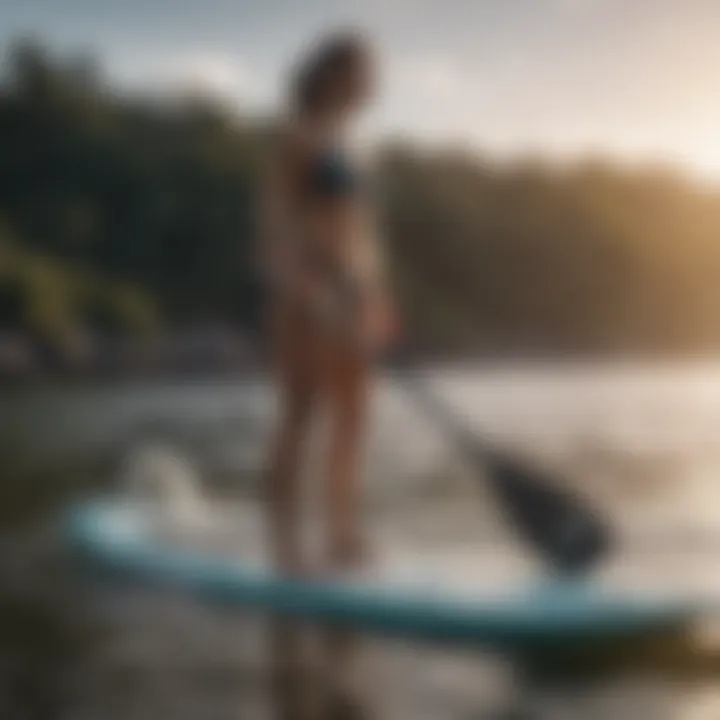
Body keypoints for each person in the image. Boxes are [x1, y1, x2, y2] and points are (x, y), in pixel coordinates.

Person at [258, 31, 396, 719]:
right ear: (338, 74)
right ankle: (287, 547)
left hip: (350, 293)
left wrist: (372, 295)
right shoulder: (300, 136)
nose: (377, 79)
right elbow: (278, 224)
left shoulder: (351, 141)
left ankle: (340, 535)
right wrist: (304, 287)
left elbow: (358, 226)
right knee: (302, 414)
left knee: (355, 417)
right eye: (368, 70)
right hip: (305, 293)